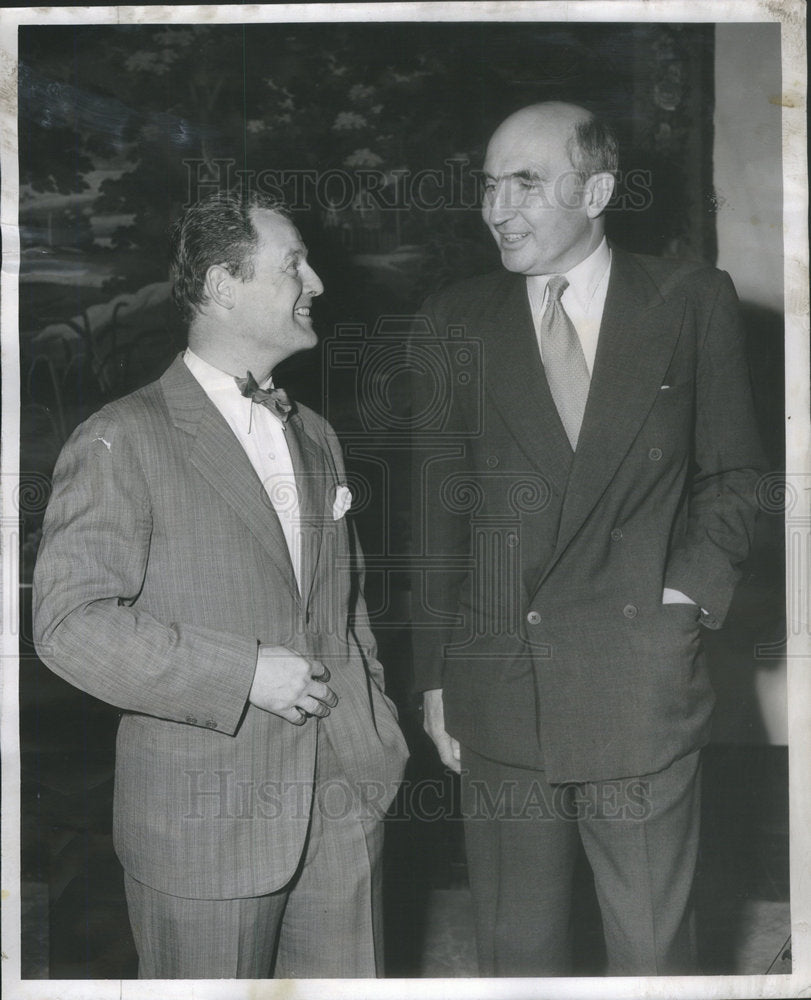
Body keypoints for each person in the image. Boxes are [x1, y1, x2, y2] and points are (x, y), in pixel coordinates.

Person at [412, 102, 765, 976]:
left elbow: (733, 475)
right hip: (500, 690)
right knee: (516, 954)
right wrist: (432, 678)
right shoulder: (452, 319)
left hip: (638, 684)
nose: (497, 208)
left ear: (597, 188)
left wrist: (679, 599)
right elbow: (433, 520)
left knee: (653, 952)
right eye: (488, 184)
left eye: (524, 182)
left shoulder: (690, 299)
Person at [33, 191, 408, 979]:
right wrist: (242, 674)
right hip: (203, 826)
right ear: (222, 285)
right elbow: (69, 625)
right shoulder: (121, 436)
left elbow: (345, 607)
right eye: (292, 264)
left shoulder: (316, 434)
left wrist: (374, 733)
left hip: (344, 806)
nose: (317, 282)